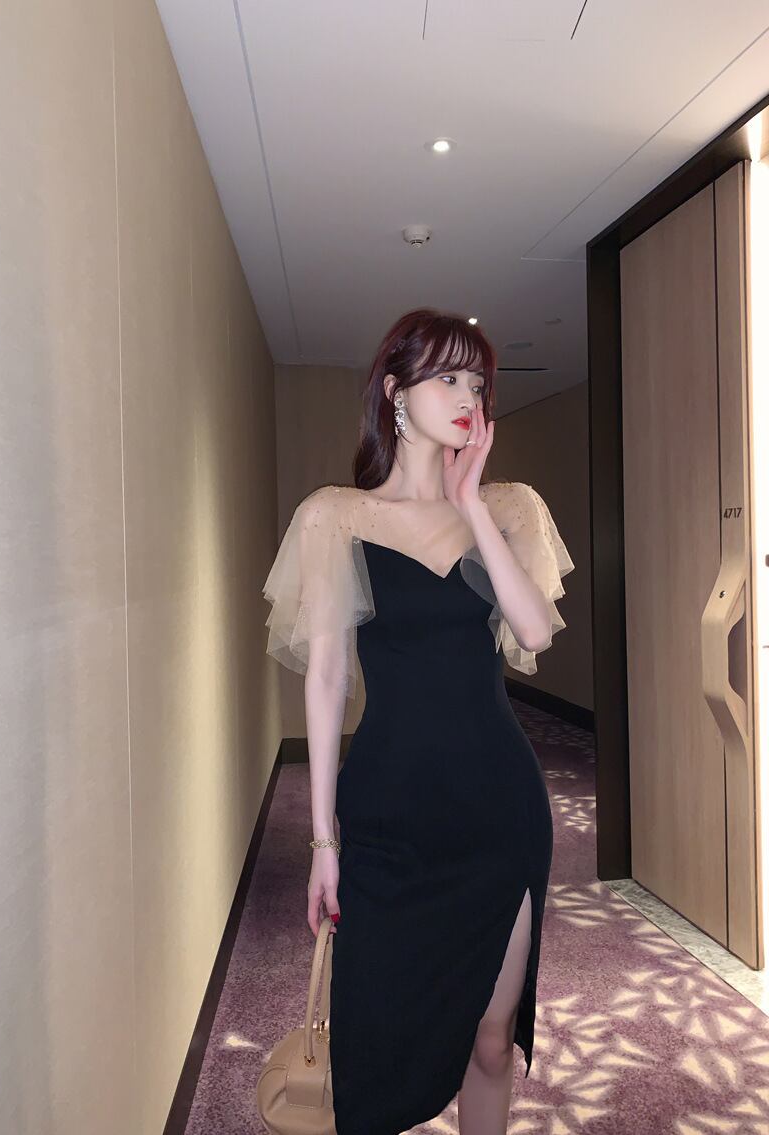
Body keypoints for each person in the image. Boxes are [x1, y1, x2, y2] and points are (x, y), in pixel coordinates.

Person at [262, 307, 575, 1135]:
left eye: (478, 381)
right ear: (396, 392)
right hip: (390, 815)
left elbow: (535, 629)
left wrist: (469, 503)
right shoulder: (336, 516)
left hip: (498, 808)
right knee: (375, 1042)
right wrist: (322, 841)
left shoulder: (507, 506)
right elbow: (327, 678)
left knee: (492, 1040)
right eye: (448, 376)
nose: (469, 394)